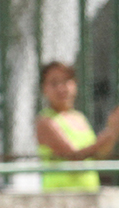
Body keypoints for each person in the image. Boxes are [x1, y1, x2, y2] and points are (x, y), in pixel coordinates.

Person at [36, 61, 119, 192]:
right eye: (54, 83)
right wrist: (108, 134)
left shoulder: (79, 118)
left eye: (66, 81)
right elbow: (73, 158)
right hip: (59, 199)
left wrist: (114, 132)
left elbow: (96, 155)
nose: (61, 88)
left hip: (89, 195)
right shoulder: (45, 121)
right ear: (43, 89)